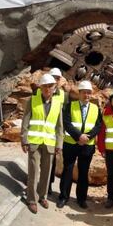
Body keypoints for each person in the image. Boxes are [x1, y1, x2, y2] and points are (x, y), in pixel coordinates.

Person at [20, 74, 64, 214]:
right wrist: (24, 140)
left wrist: (59, 144)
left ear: (54, 87)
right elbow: (25, 122)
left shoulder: (58, 103)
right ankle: (31, 200)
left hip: (50, 143)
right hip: (34, 142)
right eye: (44, 86)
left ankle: (42, 196)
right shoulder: (32, 101)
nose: (47, 89)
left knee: (46, 172)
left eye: (50, 86)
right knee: (33, 172)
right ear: (40, 87)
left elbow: (59, 127)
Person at [56, 80, 102, 209]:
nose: (86, 95)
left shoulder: (95, 109)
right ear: (79, 93)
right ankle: (63, 197)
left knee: (83, 172)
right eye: (84, 93)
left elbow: (98, 125)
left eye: (89, 93)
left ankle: (81, 199)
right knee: (68, 170)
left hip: (87, 145)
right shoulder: (70, 106)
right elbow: (67, 123)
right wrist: (78, 136)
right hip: (71, 143)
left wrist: (88, 137)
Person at [48, 67, 69, 195]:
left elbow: (64, 113)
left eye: (57, 78)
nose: (55, 80)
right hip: (43, 129)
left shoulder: (63, 95)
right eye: (53, 77)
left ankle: (49, 184)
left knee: (52, 159)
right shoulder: (40, 92)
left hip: (55, 131)